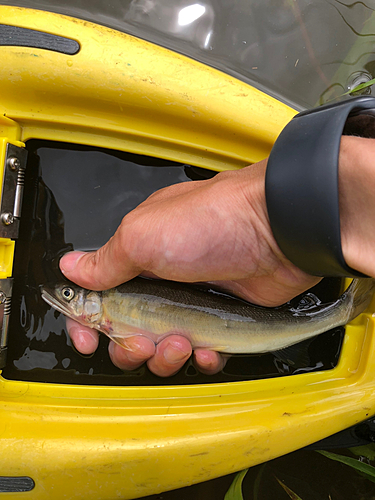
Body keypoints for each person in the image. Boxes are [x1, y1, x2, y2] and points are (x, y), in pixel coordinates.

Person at [59, 135, 375, 377]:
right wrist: (266, 217)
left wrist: (263, 217)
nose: (68, 298)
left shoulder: (114, 301)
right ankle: (336, 312)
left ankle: (341, 311)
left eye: (71, 294)